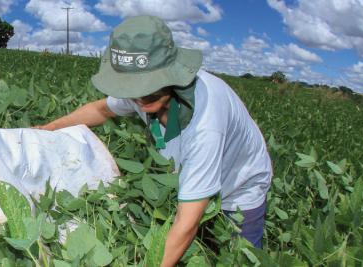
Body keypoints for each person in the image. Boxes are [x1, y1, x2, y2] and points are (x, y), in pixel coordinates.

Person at [35, 15, 272, 266]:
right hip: (191, 181)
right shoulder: (143, 94)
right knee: (199, 251)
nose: (138, 96)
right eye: (132, 86)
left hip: (239, 189)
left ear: (170, 73)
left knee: (238, 259)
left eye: (147, 85)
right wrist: (46, 128)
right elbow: (101, 110)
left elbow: (186, 224)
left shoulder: (206, 121)